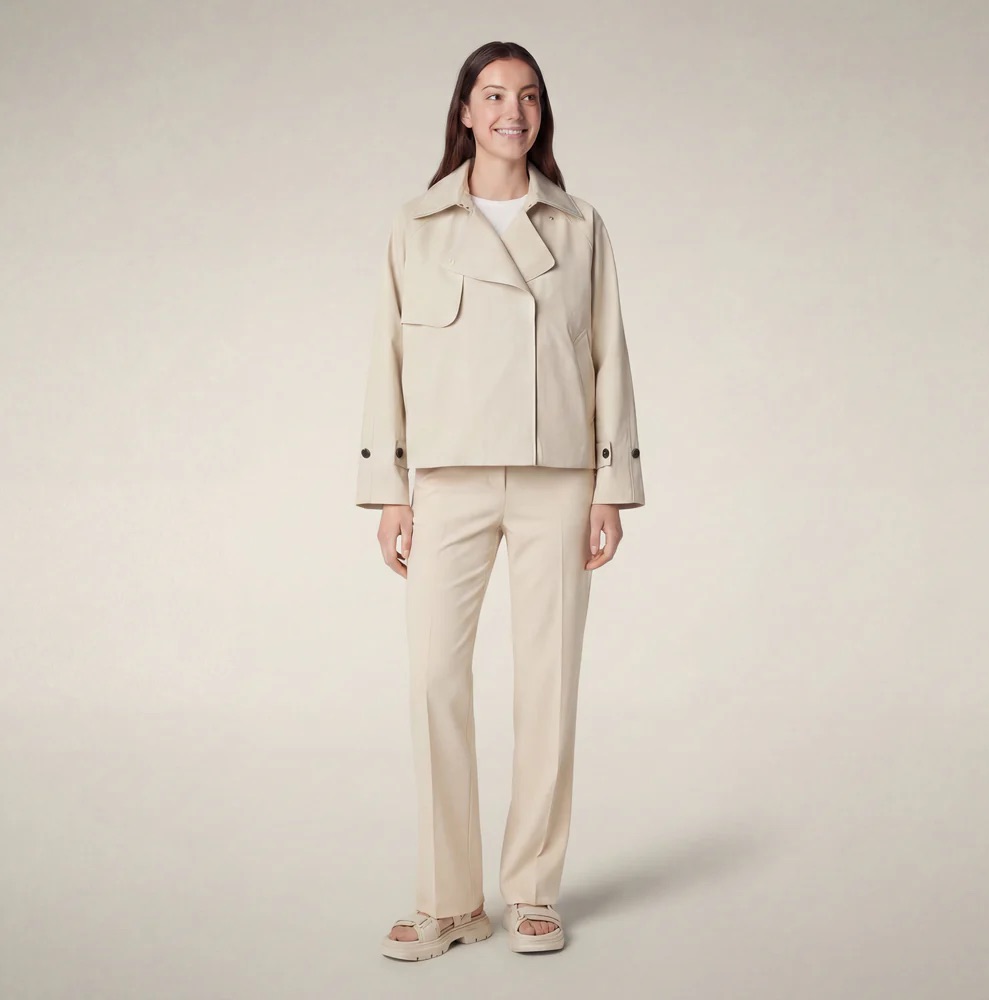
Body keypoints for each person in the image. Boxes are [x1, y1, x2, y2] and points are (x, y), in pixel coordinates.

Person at [355, 40, 645, 961]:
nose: (511, 111)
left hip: (558, 477)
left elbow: (610, 359)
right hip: (447, 478)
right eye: (493, 95)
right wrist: (386, 489)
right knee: (435, 678)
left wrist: (613, 485)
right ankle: (448, 899)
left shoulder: (580, 225)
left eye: (527, 96)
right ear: (466, 111)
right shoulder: (417, 223)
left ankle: (531, 891)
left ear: (541, 114)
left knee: (547, 682)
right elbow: (386, 363)